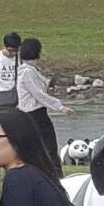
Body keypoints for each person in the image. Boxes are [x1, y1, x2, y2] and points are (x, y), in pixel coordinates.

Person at [15, 37, 75, 176]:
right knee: (49, 147)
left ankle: (47, 174)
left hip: (30, 114)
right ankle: (56, 177)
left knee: (38, 148)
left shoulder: (30, 70)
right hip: (35, 113)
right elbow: (38, 94)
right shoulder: (28, 72)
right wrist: (60, 107)